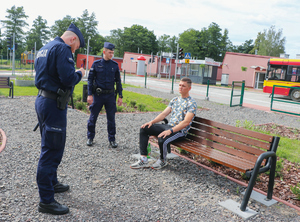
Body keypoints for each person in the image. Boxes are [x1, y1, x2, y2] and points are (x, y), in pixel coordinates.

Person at [34, 23, 85, 215]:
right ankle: (46, 201)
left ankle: (52, 182)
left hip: (43, 100)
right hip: (53, 104)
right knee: (52, 150)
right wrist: (79, 73)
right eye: (76, 46)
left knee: (49, 144)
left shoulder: (45, 48)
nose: (74, 50)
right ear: (72, 39)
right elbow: (68, 78)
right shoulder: (62, 48)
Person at [130, 77, 197, 170]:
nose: (180, 87)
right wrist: (152, 122)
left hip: (180, 131)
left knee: (162, 137)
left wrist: (170, 131)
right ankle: (143, 159)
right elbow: (163, 114)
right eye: (180, 85)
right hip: (169, 126)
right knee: (144, 129)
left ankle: (162, 160)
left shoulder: (191, 103)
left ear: (189, 88)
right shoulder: (175, 100)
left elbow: (186, 122)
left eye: (183, 86)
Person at [86, 42, 123, 148]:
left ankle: (112, 139)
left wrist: (120, 96)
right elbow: (90, 80)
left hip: (110, 96)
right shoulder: (96, 64)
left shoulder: (114, 66)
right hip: (98, 95)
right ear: (104, 52)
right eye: (110, 52)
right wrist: (89, 95)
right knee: (93, 117)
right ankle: (90, 137)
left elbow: (118, 82)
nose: (112, 54)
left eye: (112, 53)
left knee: (111, 119)